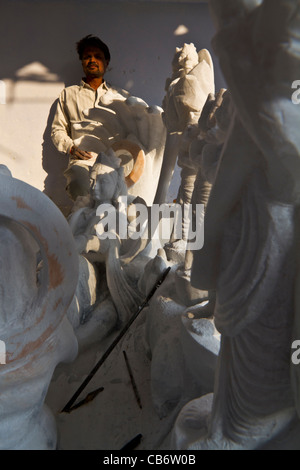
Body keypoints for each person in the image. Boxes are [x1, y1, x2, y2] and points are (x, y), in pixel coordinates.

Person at [51, 35, 129, 201]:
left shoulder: (120, 96)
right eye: (87, 57)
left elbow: (130, 130)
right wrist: (71, 148)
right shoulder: (68, 94)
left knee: (117, 202)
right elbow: (57, 130)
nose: (92, 60)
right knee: (79, 187)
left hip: (112, 163)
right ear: (82, 62)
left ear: (106, 62)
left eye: (97, 56)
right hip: (81, 162)